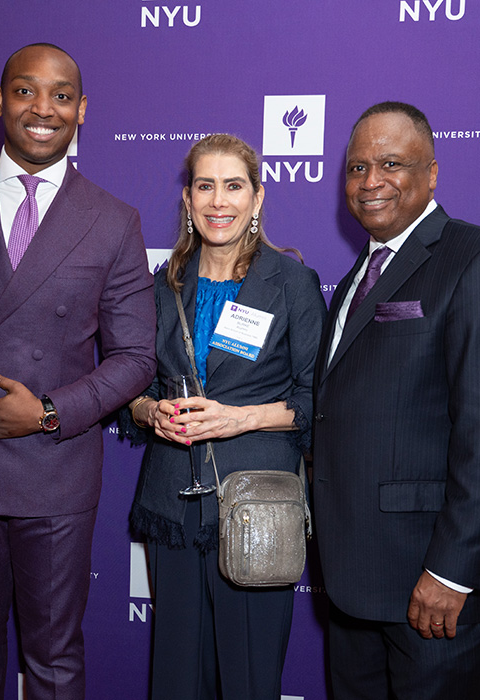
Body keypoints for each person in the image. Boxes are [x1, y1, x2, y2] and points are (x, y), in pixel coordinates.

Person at [0, 43, 156, 700]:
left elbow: (135, 359)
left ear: (82, 111)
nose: (43, 108)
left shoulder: (113, 219)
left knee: (53, 661)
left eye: (62, 95)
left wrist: (46, 411)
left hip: (56, 472)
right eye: (25, 90)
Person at [127, 133, 326, 699]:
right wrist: (149, 411)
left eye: (233, 186)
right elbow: (130, 388)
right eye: (205, 185)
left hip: (256, 508)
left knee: (248, 679)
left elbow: (318, 402)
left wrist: (241, 418)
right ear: (187, 200)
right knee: (176, 680)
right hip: (174, 506)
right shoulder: (160, 287)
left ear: (258, 198)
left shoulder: (291, 284)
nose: (219, 201)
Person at [312, 102, 480, 699]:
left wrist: (452, 571)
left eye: (391, 164)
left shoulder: (468, 259)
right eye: (357, 168)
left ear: (431, 173)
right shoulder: (362, 272)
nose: (371, 182)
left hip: (428, 585)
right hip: (353, 579)